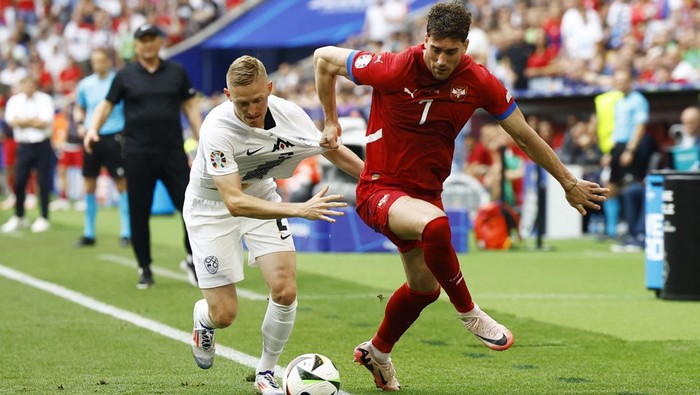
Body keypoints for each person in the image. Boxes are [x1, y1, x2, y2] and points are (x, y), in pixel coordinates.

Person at [313, 2, 608, 391]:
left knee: (424, 289)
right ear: (425, 41)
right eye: (435, 49)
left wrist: (568, 182)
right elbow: (323, 59)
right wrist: (331, 119)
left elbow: (524, 134)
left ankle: (378, 351)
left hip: (423, 195)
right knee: (436, 226)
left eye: (451, 52)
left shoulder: (479, 81)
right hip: (379, 190)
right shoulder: (394, 66)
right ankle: (470, 313)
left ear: (465, 47)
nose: (440, 60)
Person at [184, 55, 364, 395]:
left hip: (263, 193)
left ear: (269, 88)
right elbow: (234, 202)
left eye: (257, 100)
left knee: (284, 289)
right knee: (225, 314)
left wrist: (375, 179)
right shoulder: (216, 129)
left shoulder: (290, 115)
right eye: (242, 102)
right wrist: (298, 209)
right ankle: (204, 319)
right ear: (226, 95)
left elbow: (330, 150)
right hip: (212, 208)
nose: (251, 109)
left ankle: (266, 372)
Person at [85, 24, 203, 289]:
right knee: (139, 213)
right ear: (136, 45)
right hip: (138, 153)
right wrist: (93, 129)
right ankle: (144, 267)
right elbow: (107, 104)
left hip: (172, 152)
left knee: (191, 209)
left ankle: (192, 258)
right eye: (143, 40)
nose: (148, 44)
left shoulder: (177, 72)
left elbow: (189, 105)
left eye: (152, 39)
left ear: (160, 42)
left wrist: (201, 137)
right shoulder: (125, 75)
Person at [74, 48, 131, 248]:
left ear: (109, 61)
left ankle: (126, 232)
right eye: (94, 61)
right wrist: (80, 124)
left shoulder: (119, 80)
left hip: (114, 136)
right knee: (89, 183)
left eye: (101, 60)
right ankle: (89, 233)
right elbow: (79, 107)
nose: (98, 64)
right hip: (92, 137)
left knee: (121, 183)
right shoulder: (85, 85)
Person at [599, 68, 649, 239]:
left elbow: (640, 126)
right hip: (617, 146)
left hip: (630, 146)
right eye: (617, 81)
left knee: (630, 187)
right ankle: (612, 229)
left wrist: (630, 150)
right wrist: (610, 152)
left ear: (630, 81)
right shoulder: (619, 102)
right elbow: (617, 128)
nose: (619, 84)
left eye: (622, 81)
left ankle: (634, 230)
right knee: (610, 186)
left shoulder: (638, 101)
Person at [1, 76, 55, 233]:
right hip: (24, 146)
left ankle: (44, 217)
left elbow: (46, 121)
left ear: (35, 85)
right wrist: (33, 121)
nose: (28, 87)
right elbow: (11, 121)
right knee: (19, 182)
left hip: (42, 144)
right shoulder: (14, 101)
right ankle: (19, 216)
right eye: (25, 84)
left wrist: (23, 121)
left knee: (43, 182)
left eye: (31, 83)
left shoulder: (44, 99)